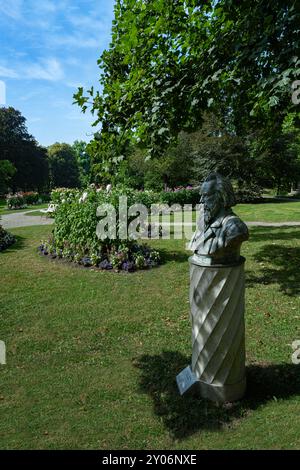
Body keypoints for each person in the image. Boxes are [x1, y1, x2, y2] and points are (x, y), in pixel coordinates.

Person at [188, 173, 249, 265]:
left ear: (221, 196)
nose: (201, 200)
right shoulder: (204, 222)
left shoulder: (235, 227)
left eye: (206, 195)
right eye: (201, 195)